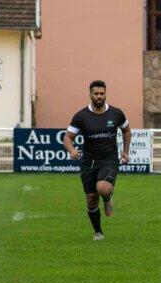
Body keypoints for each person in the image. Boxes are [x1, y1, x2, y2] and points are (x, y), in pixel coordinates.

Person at [64, 80, 131, 241]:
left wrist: (125, 151)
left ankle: (107, 198)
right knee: (91, 200)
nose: (99, 96)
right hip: (89, 162)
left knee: (103, 188)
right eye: (96, 93)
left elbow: (126, 130)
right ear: (90, 95)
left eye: (102, 93)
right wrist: (72, 151)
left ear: (105, 94)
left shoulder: (116, 113)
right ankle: (98, 232)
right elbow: (68, 137)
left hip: (109, 159)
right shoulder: (81, 116)